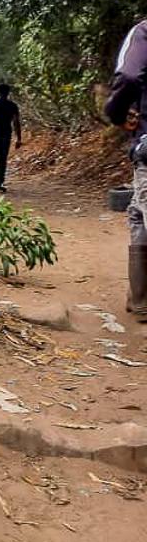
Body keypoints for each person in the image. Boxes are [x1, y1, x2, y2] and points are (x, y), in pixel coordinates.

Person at [105, 18, 147, 324]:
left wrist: (115, 112)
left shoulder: (144, 31)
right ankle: (140, 297)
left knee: (142, 214)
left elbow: (130, 76)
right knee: (137, 212)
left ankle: (142, 299)